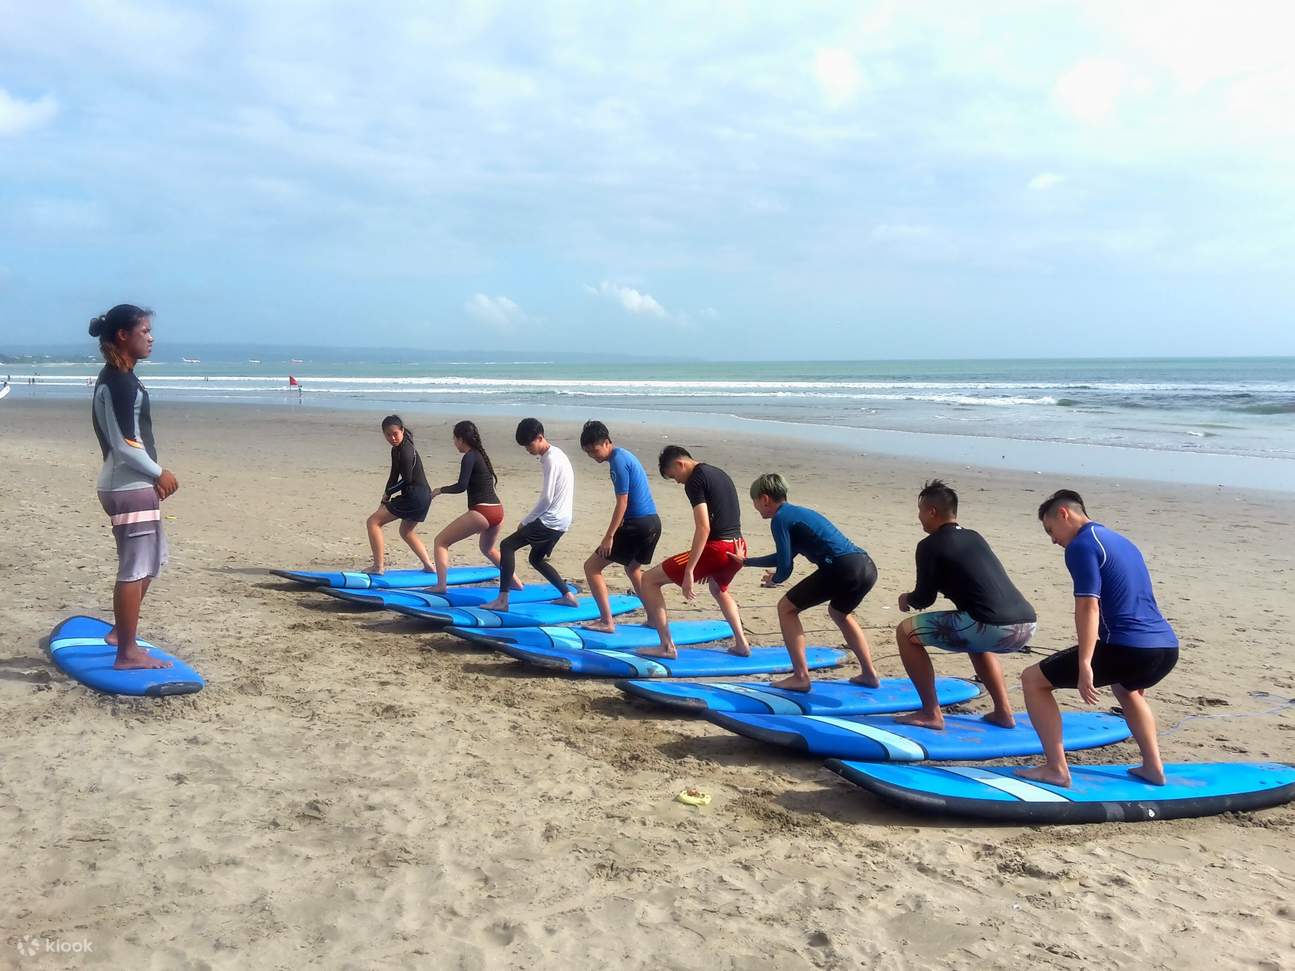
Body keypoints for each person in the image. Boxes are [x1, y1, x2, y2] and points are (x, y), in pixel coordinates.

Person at [1019, 490, 1179, 787]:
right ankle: (1153, 768)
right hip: (1165, 647)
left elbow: (1088, 606)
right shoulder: (1121, 541)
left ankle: (1056, 769)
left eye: (1051, 530)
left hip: (1129, 647)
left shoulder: (1081, 545)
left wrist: (1085, 663)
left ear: (1064, 514)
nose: (1053, 540)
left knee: (1033, 680)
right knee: (1126, 690)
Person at [895, 479, 1037, 729]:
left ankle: (930, 713)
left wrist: (907, 599)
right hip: (1026, 624)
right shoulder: (974, 537)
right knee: (975, 641)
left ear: (932, 511)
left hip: (990, 625)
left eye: (920, 511)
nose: (919, 517)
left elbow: (924, 598)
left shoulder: (929, 545)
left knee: (905, 633)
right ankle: (1004, 713)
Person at [88, 304, 179, 670]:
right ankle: (126, 653)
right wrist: (159, 472)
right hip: (126, 485)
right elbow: (125, 445)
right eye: (144, 331)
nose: (151, 337)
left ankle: (119, 634)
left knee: (151, 561)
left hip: (132, 483)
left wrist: (151, 476)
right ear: (123, 336)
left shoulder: (122, 377)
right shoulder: (119, 382)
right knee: (134, 567)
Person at [739, 474, 880, 691]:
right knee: (839, 613)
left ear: (765, 499)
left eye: (755, 501)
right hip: (866, 566)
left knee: (786, 608)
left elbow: (785, 567)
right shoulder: (797, 514)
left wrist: (775, 579)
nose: (755, 507)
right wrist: (746, 562)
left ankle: (801, 677)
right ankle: (870, 674)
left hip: (842, 568)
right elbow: (783, 556)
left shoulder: (780, 519)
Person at [637, 446, 751, 658]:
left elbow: (703, 527)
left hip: (718, 548)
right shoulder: (718, 473)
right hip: (738, 547)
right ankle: (742, 644)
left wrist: (691, 570)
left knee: (649, 580)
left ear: (680, 464)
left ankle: (666, 647)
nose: (678, 482)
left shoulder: (694, 481)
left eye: (674, 476)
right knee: (719, 590)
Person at [481, 418, 578, 610]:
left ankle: (502, 600)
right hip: (563, 521)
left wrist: (526, 521)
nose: (528, 450)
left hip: (551, 520)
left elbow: (547, 498)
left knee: (507, 545)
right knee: (536, 559)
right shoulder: (557, 454)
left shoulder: (550, 459)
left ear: (540, 437)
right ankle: (568, 595)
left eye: (529, 445)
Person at [578, 420, 661, 633]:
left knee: (592, 567)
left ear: (607, 442)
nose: (592, 456)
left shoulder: (617, 462)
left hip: (638, 524)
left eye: (594, 450)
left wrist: (609, 536)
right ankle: (653, 618)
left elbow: (622, 503)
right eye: (587, 452)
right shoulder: (625, 455)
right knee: (632, 569)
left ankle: (606, 621)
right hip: (653, 523)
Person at [428, 420, 518, 595]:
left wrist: (440, 490)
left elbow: (461, 486)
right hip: (497, 510)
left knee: (441, 542)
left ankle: (441, 586)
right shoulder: (480, 455)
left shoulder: (469, 457)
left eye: (454, 439)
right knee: (487, 549)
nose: (454, 443)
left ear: (461, 439)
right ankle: (515, 582)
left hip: (483, 511)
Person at [364, 415, 434, 574]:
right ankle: (429, 565)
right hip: (424, 496)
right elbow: (393, 476)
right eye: (388, 435)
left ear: (402, 430)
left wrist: (389, 492)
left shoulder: (406, 450)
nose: (392, 438)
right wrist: (385, 498)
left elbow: (407, 479)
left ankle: (378, 566)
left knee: (373, 522)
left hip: (415, 496)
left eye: (395, 433)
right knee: (406, 531)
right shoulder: (397, 449)